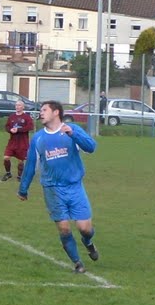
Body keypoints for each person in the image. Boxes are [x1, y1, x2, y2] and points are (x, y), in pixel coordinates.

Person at [18, 100, 99, 273]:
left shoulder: (72, 129)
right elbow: (31, 165)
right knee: (64, 228)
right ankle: (77, 263)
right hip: (52, 189)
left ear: (56, 113)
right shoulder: (38, 138)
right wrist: (23, 189)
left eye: (44, 110)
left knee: (85, 229)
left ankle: (89, 243)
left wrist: (73, 135)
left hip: (74, 187)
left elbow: (92, 147)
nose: (41, 113)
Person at [1, 98, 34, 182]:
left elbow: (30, 127)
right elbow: (7, 126)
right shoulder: (12, 117)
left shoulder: (26, 117)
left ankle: (19, 176)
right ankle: (8, 173)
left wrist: (18, 130)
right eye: (16, 105)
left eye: (19, 105)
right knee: (6, 158)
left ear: (23, 107)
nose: (17, 107)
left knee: (20, 161)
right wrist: (10, 130)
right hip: (12, 142)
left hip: (22, 142)